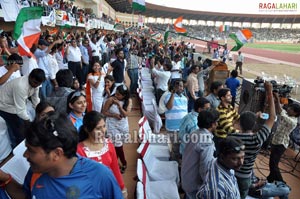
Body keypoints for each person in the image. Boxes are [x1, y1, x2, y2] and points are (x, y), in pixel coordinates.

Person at [0, 112, 123, 199]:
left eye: (31, 151)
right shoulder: (35, 172)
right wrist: (6, 178)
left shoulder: (100, 176)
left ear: (57, 153)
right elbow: (28, 195)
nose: (25, 155)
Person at [228, 81, 276, 198]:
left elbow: (235, 125)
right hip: (245, 177)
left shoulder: (231, 137)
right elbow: (272, 117)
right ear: (254, 124)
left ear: (239, 124)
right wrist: (269, 92)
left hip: (231, 174)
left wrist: (250, 117)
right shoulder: (258, 139)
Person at [77, 111, 128, 198]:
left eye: (104, 126)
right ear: (87, 129)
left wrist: (122, 188)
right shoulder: (79, 150)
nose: (103, 131)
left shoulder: (108, 144)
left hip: (110, 190)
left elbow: (115, 168)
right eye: (98, 128)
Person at [0, 68, 45, 147]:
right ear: (30, 77)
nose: (36, 85)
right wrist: (29, 123)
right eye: (35, 83)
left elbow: (36, 100)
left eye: (38, 84)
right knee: (17, 129)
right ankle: (17, 147)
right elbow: (20, 110)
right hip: (5, 105)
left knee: (22, 125)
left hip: (15, 104)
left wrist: (40, 112)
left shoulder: (36, 83)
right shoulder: (21, 86)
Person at [181, 109, 219, 199]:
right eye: (217, 122)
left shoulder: (195, 133)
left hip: (186, 178)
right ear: (213, 124)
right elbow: (205, 169)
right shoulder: (206, 142)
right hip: (194, 185)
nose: (218, 124)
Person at [267, 95, 300, 184]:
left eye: (291, 109)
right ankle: (270, 179)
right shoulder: (288, 115)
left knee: (273, 164)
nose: (288, 109)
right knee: (272, 163)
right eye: (289, 107)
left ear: (295, 113)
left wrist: (277, 99)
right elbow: (281, 110)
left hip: (280, 144)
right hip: (276, 141)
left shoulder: (292, 122)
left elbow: (281, 112)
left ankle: (282, 183)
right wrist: (278, 101)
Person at [102, 85, 132, 173]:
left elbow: (126, 114)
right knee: (118, 145)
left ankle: (114, 162)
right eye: (116, 93)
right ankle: (123, 162)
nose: (116, 96)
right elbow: (104, 112)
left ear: (124, 96)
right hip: (111, 124)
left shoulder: (128, 101)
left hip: (122, 125)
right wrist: (114, 115)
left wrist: (119, 106)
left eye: (119, 95)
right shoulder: (111, 99)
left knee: (117, 145)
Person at [164, 79, 188, 162]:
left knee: (181, 146)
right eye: (178, 86)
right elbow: (169, 107)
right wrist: (173, 93)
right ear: (173, 87)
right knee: (175, 147)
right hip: (173, 128)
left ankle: (177, 161)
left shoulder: (184, 98)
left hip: (182, 127)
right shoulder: (168, 96)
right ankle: (173, 163)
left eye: (182, 86)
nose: (181, 88)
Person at [214, 88, 240, 155]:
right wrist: (241, 133)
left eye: (230, 95)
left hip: (227, 137)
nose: (231, 96)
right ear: (222, 98)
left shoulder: (230, 107)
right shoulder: (220, 111)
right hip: (220, 139)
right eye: (228, 95)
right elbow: (227, 128)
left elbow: (238, 117)